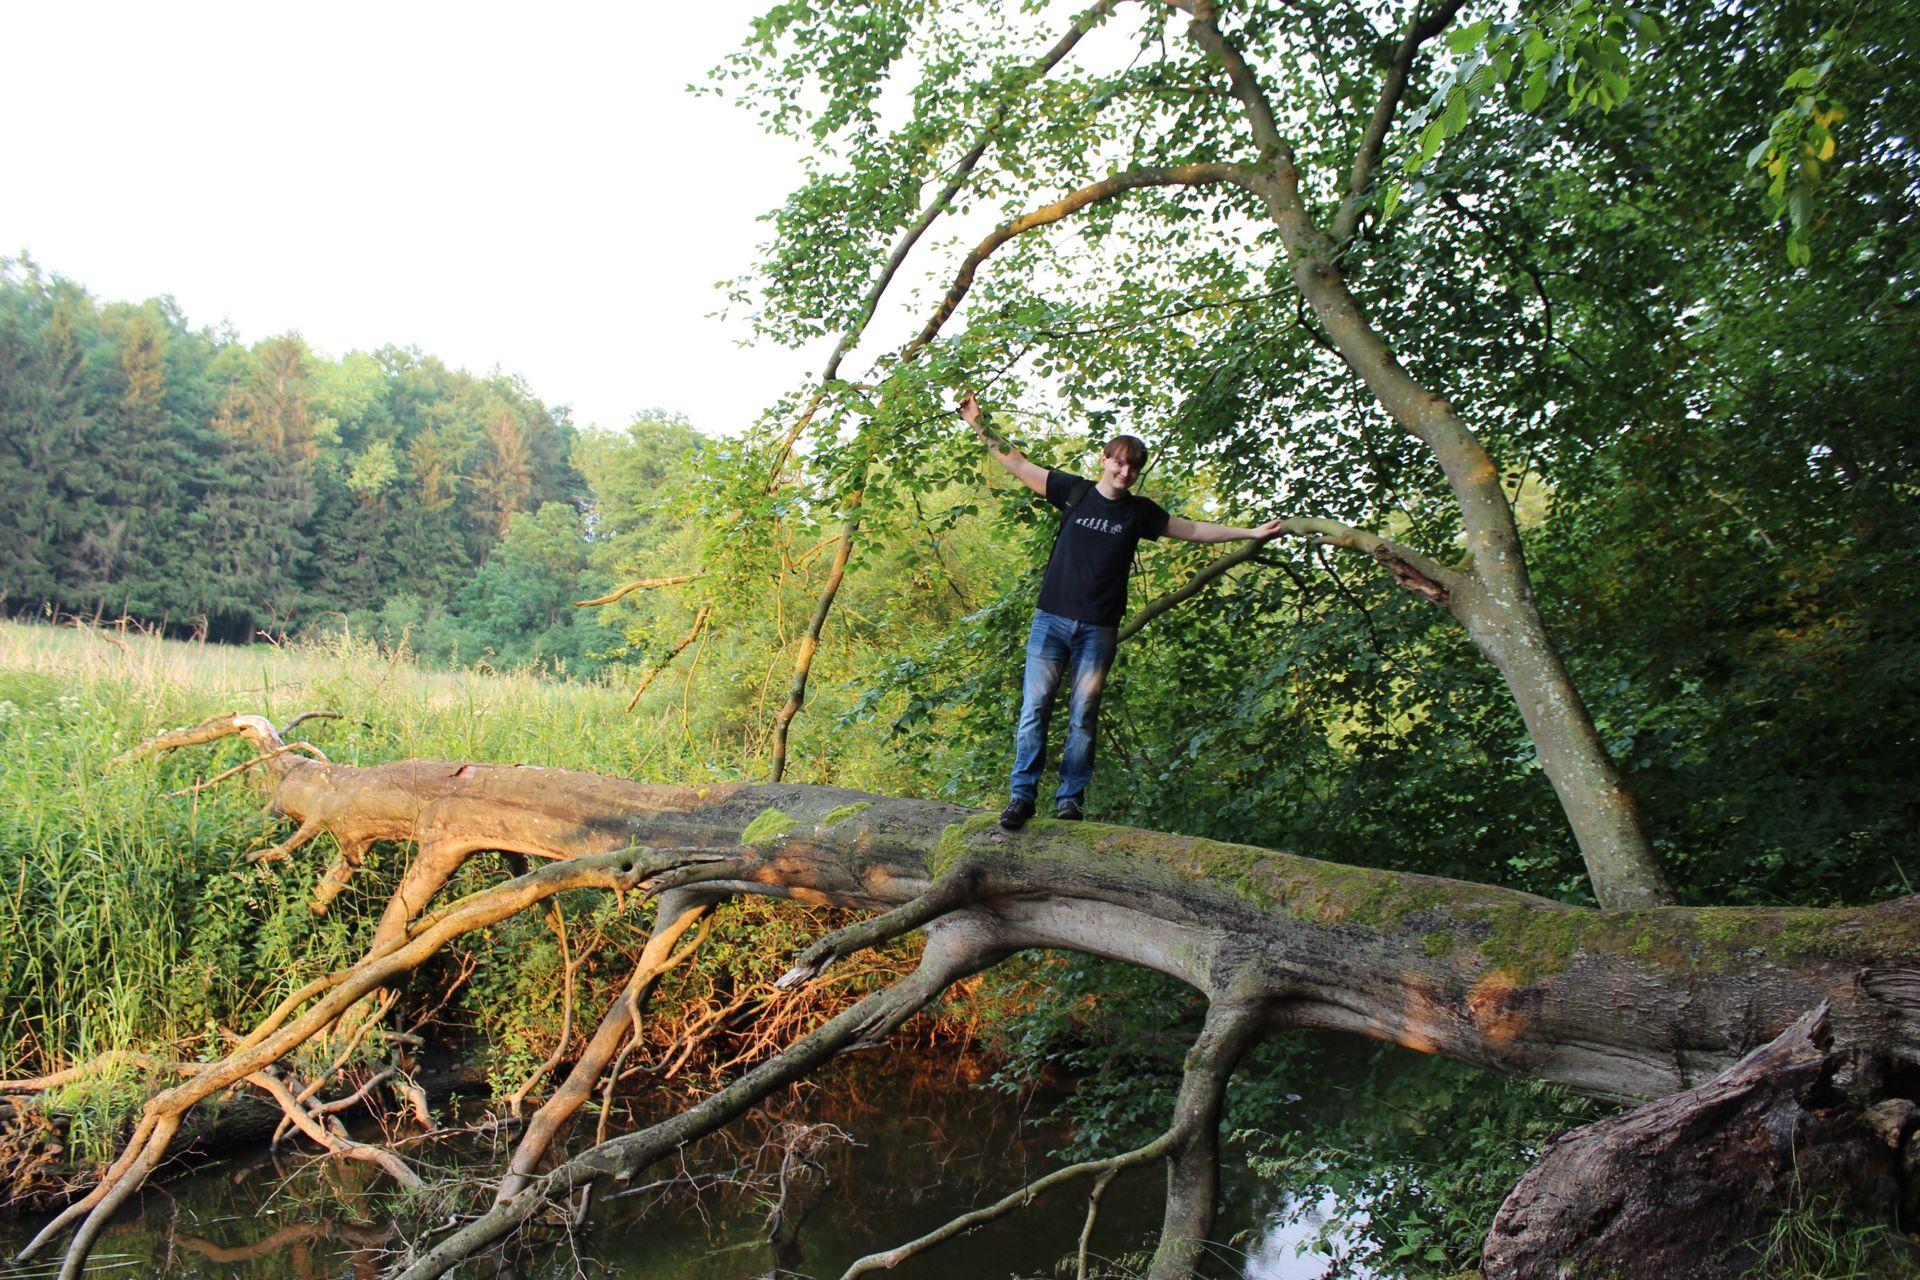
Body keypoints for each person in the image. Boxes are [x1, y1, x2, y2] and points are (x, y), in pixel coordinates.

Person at [959, 391, 1283, 829]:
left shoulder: (1139, 513)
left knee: (1083, 716)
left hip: (1098, 629)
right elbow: (1017, 462)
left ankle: (1070, 800)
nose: (1125, 471)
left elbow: (1191, 528)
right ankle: (1022, 797)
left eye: (1133, 467)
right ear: (1104, 459)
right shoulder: (1072, 491)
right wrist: (980, 424)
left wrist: (1250, 532)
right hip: (1051, 620)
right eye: (1119, 462)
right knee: (1035, 709)